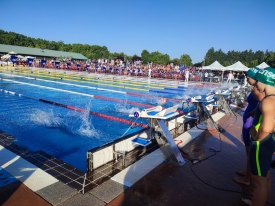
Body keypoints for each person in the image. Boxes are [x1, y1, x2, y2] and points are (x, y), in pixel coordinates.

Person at [242, 67, 275, 206]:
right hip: (268, 144)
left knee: (258, 182)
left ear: (265, 82)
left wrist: (256, 135)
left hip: (260, 145)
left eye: (257, 82)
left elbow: (267, 128)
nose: (255, 85)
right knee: (265, 177)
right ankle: (258, 201)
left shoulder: (268, 101)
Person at [233, 68, 263, 186]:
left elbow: (263, 104)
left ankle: (247, 179)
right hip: (249, 120)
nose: (246, 79)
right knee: (248, 152)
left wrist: (254, 113)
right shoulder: (256, 88)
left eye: (247, 78)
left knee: (250, 152)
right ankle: (247, 173)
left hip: (251, 122)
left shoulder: (259, 90)